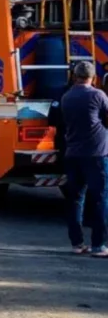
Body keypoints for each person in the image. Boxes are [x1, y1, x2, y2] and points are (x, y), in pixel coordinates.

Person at [60, 61, 108, 256]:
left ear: (74, 76)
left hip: (73, 154)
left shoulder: (66, 97)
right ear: (93, 77)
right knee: (100, 199)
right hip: (96, 155)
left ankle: (77, 244)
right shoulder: (98, 95)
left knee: (76, 200)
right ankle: (99, 245)